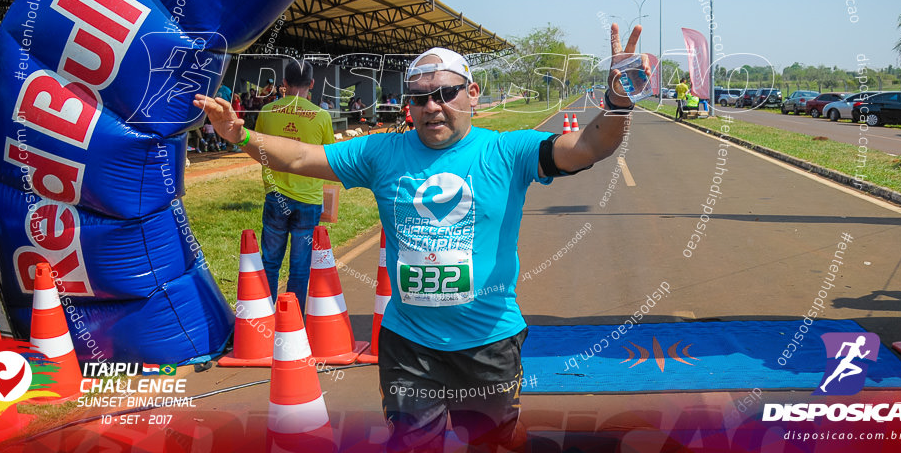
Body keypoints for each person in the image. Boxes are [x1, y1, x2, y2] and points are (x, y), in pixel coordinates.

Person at [194, 24, 642, 452]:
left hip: (487, 343)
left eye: (445, 93)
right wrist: (240, 135)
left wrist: (618, 101)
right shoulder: (381, 152)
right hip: (409, 345)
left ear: (471, 93)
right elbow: (301, 156)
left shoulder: (506, 151)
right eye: (421, 98)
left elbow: (589, 147)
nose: (433, 106)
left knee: (494, 441)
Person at [254, 59, 334, 313]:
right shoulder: (321, 116)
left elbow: (258, 149)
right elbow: (329, 159)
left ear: (284, 84)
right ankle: (294, 318)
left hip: (275, 197)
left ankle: (265, 313)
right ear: (312, 84)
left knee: (270, 261)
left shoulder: (267, 112)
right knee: (300, 266)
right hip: (309, 200)